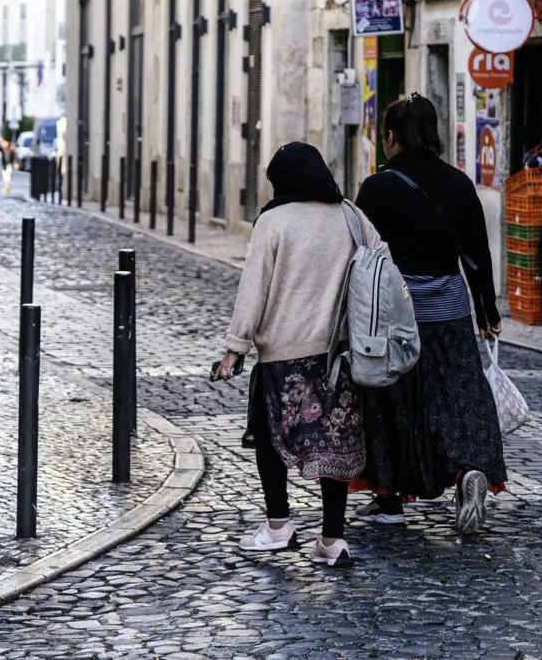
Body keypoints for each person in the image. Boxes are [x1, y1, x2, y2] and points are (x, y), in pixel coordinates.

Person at [215, 142, 381, 567]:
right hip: (338, 355)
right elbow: (380, 266)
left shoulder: (273, 221)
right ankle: (332, 539)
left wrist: (235, 348)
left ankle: (277, 526)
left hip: (282, 355)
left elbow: (253, 288)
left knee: (272, 440)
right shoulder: (351, 216)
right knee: (336, 445)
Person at [353, 93, 507, 534]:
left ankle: (389, 500)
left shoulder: (378, 187)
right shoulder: (459, 184)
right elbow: (477, 255)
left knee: (391, 402)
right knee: (457, 395)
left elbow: (362, 257)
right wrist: (487, 311)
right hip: (450, 309)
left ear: (392, 137)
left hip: (394, 315)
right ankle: (465, 472)